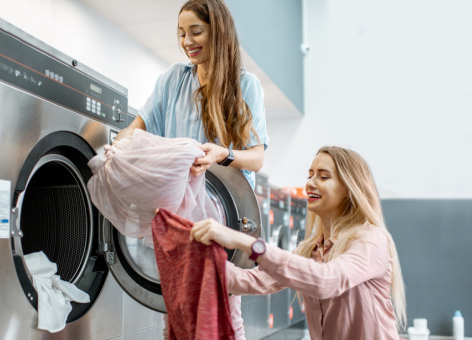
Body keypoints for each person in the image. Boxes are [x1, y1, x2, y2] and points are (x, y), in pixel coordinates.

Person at [114, 0, 268, 338]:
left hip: (224, 215)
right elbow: (137, 126)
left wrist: (223, 154)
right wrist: (119, 145)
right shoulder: (173, 79)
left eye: (196, 31)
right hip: (177, 213)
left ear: (218, 32)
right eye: (181, 33)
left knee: (224, 307)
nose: (187, 41)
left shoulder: (246, 85)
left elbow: (256, 158)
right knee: (177, 306)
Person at [190, 146, 407, 340]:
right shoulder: (311, 250)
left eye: (323, 177)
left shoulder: (370, 240)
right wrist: (196, 258)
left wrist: (245, 242)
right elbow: (252, 281)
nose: (310, 183)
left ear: (349, 189)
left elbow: (327, 281)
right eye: (310, 175)